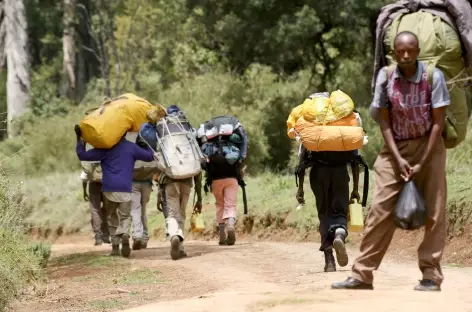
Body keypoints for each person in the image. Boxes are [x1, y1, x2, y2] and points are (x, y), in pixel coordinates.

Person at [332, 31, 449, 291]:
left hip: (430, 146)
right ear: (394, 53)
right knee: (379, 211)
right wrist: (397, 159)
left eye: (410, 50)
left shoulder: (434, 77)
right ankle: (362, 275)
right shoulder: (386, 77)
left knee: (434, 213)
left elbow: (438, 123)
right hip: (394, 147)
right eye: (401, 51)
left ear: (418, 51)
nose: (406, 55)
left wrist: (422, 162)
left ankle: (431, 275)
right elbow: (384, 120)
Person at [75, 125, 155, 258]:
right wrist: (144, 143)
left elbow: (82, 155)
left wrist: (79, 139)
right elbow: (149, 156)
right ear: (124, 134)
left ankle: (115, 248)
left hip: (109, 188)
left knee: (112, 218)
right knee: (125, 216)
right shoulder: (131, 147)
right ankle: (124, 233)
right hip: (125, 188)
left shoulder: (105, 148)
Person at [154, 105, 203, 260]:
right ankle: (180, 247)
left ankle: (174, 235)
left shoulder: (163, 135)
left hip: (169, 181)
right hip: (187, 180)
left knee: (172, 213)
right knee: (181, 213)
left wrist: (158, 194)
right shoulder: (187, 134)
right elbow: (197, 164)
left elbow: (160, 164)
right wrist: (199, 196)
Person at [80, 170, 110, 246]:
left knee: (95, 210)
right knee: (108, 209)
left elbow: (84, 176)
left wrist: (84, 191)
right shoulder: (109, 157)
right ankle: (106, 236)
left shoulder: (90, 158)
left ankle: (98, 236)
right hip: (107, 184)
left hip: (93, 186)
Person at [130, 177, 153, 250]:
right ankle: (144, 238)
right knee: (143, 211)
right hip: (147, 182)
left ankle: (137, 235)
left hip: (133, 181)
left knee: (135, 210)